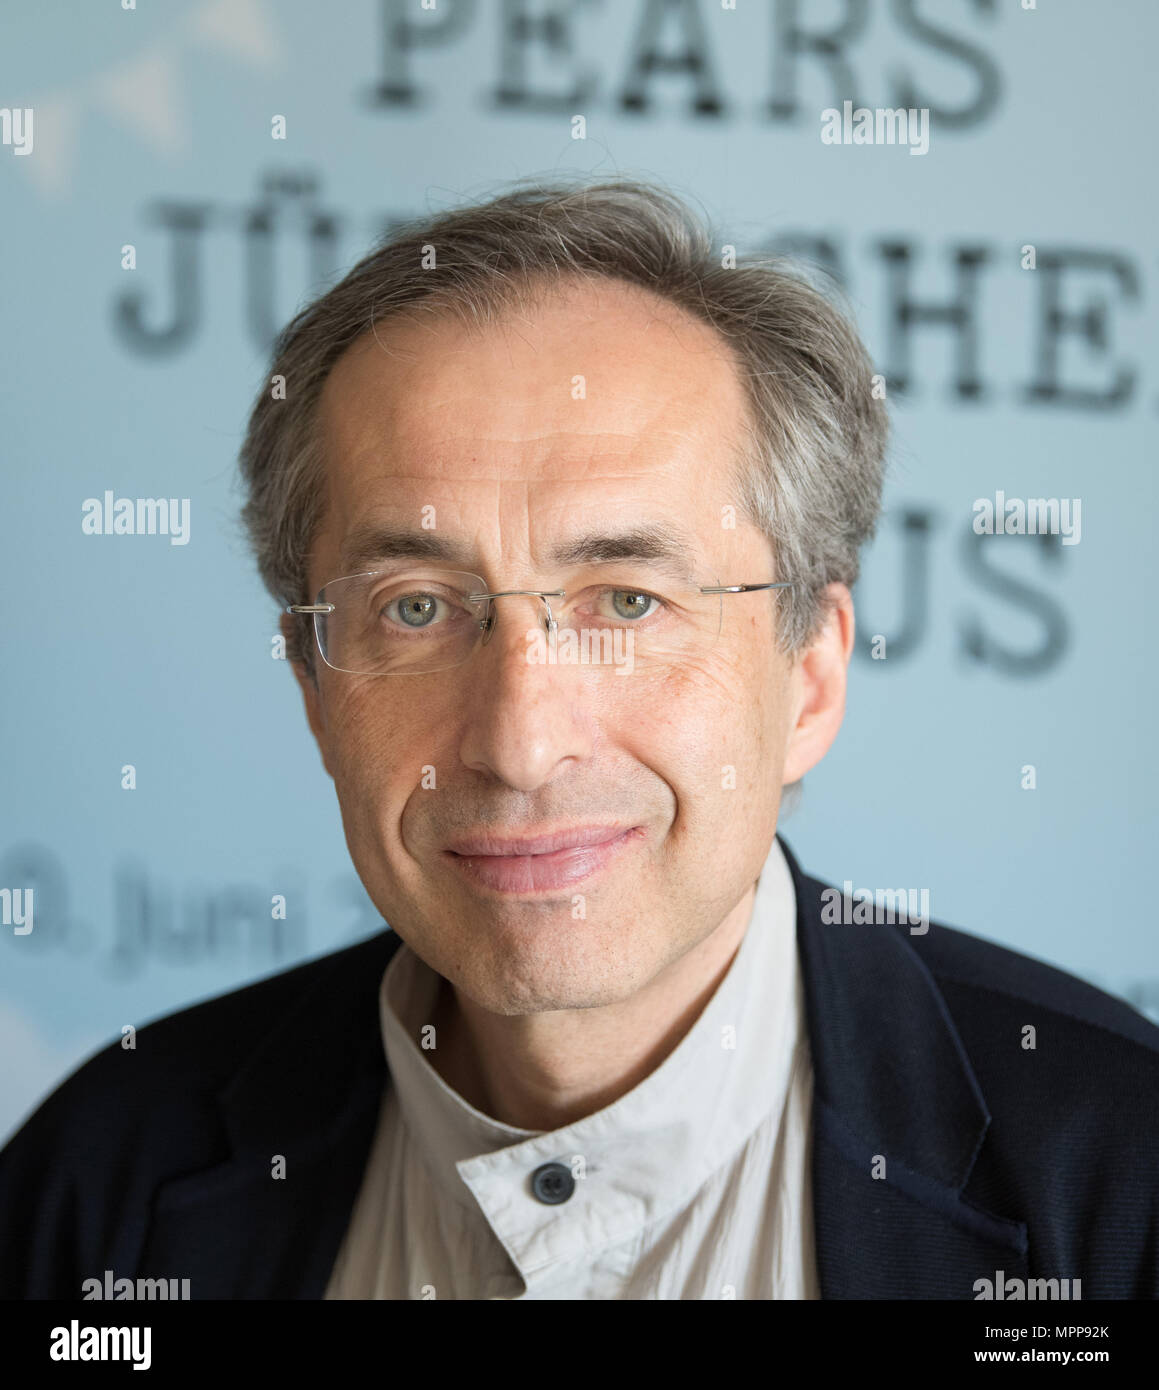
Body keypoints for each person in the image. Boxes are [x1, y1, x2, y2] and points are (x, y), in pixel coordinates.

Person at [2, 178, 1156, 1300]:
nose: (519, 741)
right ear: (312, 683)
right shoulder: (101, 1184)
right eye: (415, 606)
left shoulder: (1117, 1185)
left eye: (625, 601)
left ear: (807, 674)